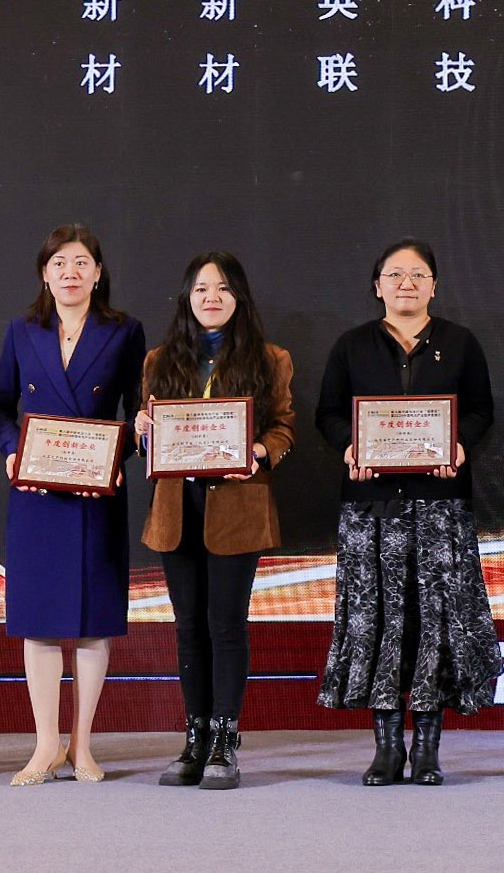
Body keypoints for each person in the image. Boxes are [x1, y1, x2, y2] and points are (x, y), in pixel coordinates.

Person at [314, 240, 503, 786]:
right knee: (377, 624)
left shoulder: (460, 343)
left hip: (440, 507)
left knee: (434, 623)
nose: (406, 283)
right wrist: (350, 447)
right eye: (394, 274)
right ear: (377, 286)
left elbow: (481, 411)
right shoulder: (352, 345)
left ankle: (427, 748)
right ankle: (386, 747)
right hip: (370, 509)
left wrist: (459, 445)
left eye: (418, 274)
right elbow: (328, 414)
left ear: (434, 286)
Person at [0, 225, 147, 785]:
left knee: (91, 621)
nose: (70, 273)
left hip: (95, 493)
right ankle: (45, 745)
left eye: (82, 262)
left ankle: (82, 745)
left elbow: (138, 412)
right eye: (59, 263)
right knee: (38, 621)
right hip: (36, 495)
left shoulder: (125, 330)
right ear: (44, 273)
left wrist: (115, 456)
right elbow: (1, 407)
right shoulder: (21, 330)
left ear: (98, 273)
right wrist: (12, 452)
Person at [135, 252, 294, 790]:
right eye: (201, 288)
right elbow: (148, 438)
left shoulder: (270, 359)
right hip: (175, 508)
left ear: (239, 297)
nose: (211, 297)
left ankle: (226, 740)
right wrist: (142, 430)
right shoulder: (159, 361)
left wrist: (260, 452)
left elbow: (284, 428)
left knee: (226, 625)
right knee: (187, 627)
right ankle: (194, 737)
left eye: (223, 288)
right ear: (187, 297)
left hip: (238, 506)